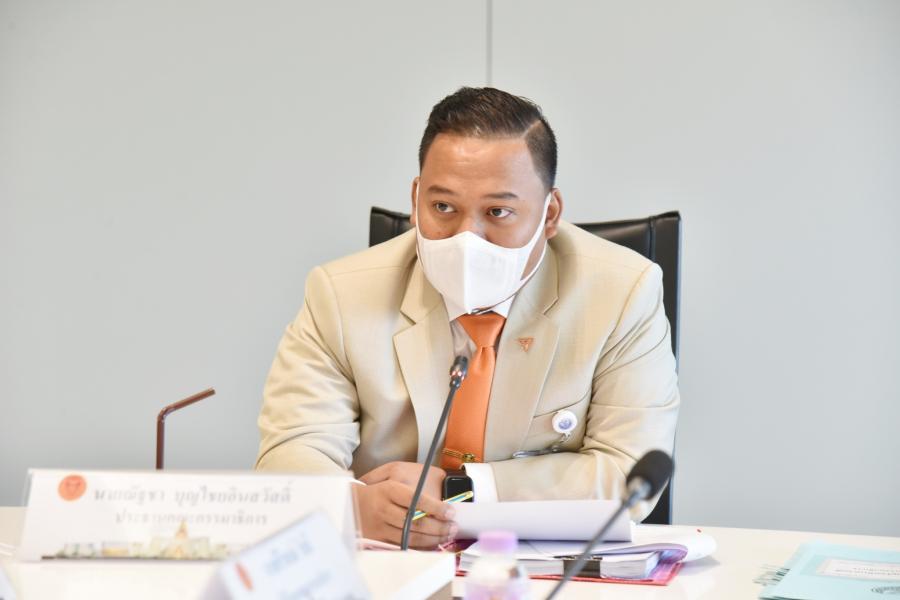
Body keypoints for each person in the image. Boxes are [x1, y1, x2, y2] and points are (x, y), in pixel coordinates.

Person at [255, 87, 679, 549]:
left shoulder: (622, 293)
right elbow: (291, 452)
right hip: (389, 560)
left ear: (550, 214)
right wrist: (351, 507)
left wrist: (464, 490)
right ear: (415, 199)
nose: (466, 238)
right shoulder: (340, 294)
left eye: (498, 211)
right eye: (443, 207)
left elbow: (627, 472)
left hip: (539, 564)